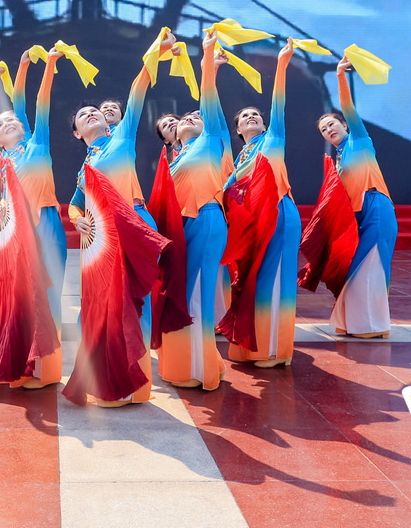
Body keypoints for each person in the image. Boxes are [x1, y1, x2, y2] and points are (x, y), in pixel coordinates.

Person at [65, 29, 177, 406]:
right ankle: (111, 377)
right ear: (77, 133)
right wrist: (76, 219)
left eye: (94, 111)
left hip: (135, 222)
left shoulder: (121, 139)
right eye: (83, 116)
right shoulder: (85, 167)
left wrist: (155, 54)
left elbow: (137, 89)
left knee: (135, 303)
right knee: (105, 307)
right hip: (101, 239)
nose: (91, 113)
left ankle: (137, 384)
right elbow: (75, 204)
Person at [0, 46, 66, 388]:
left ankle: (50, 370)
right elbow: (7, 198)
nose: (9, 122)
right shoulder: (5, 164)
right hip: (17, 235)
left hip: (46, 225)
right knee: (25, 298)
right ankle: (29, 363)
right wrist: (0, 205)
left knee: (49, 293)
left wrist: (38, 66)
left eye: (12, 120)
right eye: (0, 124)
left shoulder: (38, 143)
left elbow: (39, 102)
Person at [157, 29, 232, 390]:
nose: (188, 118)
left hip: (206, 219)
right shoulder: (175, 160)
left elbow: (209, 100)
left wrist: (207, 61)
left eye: (195, 116)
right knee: (182, 292)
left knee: (198, 292)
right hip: (181, 228)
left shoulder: (212, 140)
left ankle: (201, 370)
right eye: (183, 119)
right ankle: (190, 362)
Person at [220, 39, 299, 368]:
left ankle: (274, 351)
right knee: (252, 281)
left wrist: (281, 64)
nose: (251, 117)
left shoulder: (273, 138)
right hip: (252, 223)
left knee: (274, 280)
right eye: (245, 116)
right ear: (239, 129)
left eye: (256, 115)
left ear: (264, 124)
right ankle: (254, 345)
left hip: (279, 214)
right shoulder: (240, 158)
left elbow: (278, 101)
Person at [317, 54, 397, 339]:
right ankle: (355, 323)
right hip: (356, 216)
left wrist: (340, 75)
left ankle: (374, 326)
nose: (329, 130)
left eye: (332, 124)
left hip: (376, 206)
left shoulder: (360, 141)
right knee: (355, 269)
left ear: (345, 125)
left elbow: (348, 108)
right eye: (324, 130)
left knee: (370, 266)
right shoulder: (338, 160)